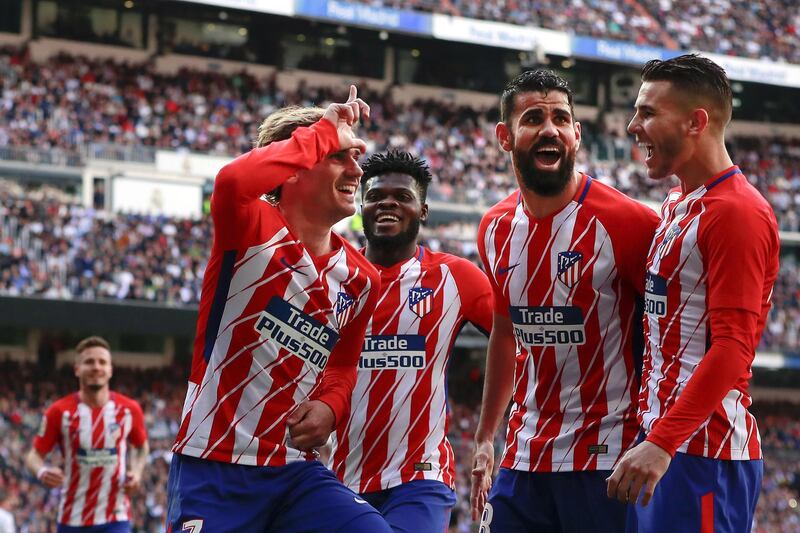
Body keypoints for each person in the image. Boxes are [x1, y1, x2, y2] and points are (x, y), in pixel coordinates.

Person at [166, 87, 392, 533]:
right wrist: (323, 131)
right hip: (215, 465)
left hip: (295, 473)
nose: (356, 169)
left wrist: (330, 404)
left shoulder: (363, 279)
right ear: (291, 170)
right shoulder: (251, 228)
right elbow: (231, 181)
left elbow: (344, 365)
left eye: (355, 158)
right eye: (339, 157)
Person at [470, 69, 660, 532]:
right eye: (533, 118)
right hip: (523, 454)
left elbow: (666, 339)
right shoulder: (493, 229)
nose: (549, 128)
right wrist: (484, 437)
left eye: (560, 117)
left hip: (608, 458)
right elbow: (504, 332)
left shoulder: (631, 224)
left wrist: (661, 438)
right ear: (505, 136)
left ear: (576, 133)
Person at [607, 54, 780, 532]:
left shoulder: (737, 213)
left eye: (647, 112)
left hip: (705, 453)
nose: (632, 126)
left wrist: (662, 442)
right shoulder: (678, 203)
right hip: (666, 445)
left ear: (695, 121)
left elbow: (732, 350)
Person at [329, 150, 493, 532]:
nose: (388, 202)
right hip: (341, 478)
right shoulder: (333, 275)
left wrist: (489, 432)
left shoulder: (458, 278)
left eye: (402, 196)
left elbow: (515, 344)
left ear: (422, 210)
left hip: (421, 476)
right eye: (376, 196)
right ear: (361, 206)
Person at [25, 336, 149, 532]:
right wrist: (42, 471)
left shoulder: (129, 410)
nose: (96, 367)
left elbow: (141, 446)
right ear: (77, 369)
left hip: (116, 517)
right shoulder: (59, 412)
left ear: (110, 369)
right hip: (72, 519)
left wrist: (137, 473)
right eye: (89, 362)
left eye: (102, 362)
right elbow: (34, 455)